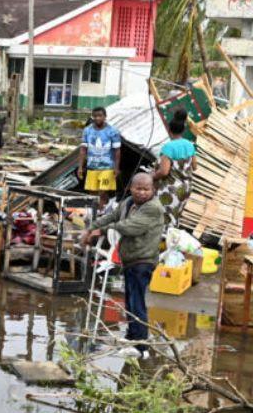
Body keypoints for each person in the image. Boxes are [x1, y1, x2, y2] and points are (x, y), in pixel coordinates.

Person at [82, 173, 166, 341]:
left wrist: (103, 230)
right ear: (131, 188)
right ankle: (131, 336)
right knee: (130, 301)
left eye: (146, 189)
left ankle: (141, 346)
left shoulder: (153, 208)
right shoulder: (127, 202)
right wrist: (91, 228)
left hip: (143, 260)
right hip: (130, 259)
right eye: (138, 188)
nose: (142, 192)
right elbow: (111, 216)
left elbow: (130, 227)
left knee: (137, 304)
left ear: (153, 190)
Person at [153, 111, 196, 228]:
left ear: (169, 130)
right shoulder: (190, 145)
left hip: (171, 189)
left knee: (164, 217)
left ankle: (161, 242)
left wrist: (151, 176)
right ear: (183, 130)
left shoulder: (168, 147)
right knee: (175, 216)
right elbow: (195, 167)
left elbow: (164, 172)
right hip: (186, 188)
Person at [77, 106, 122, 209]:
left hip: (107, 168)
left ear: (105, 116)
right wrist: (80, 167)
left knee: (102, 191)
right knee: (92, 193)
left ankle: (101, 211)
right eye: (95, 116)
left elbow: (117, 151)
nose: (97, 118)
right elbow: (83, 149)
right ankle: (93, 213)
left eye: (100, 116)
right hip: (92, 167)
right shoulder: (87, 131)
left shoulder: (112, 131)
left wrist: (116, 167)